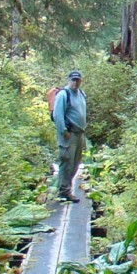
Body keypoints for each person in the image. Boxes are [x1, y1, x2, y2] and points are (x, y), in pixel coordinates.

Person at [51, 69, 88, 202]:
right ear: (69, 80)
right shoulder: (63, 94)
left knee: (76, 163)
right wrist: (63, 131)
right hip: (68, 134)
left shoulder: (81, 93)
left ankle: (66, 188)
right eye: (73, 80)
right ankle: (64, 191)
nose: (75, 82)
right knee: (67, 162)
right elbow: (57, 115)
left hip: (79, 134)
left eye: (78, 80)